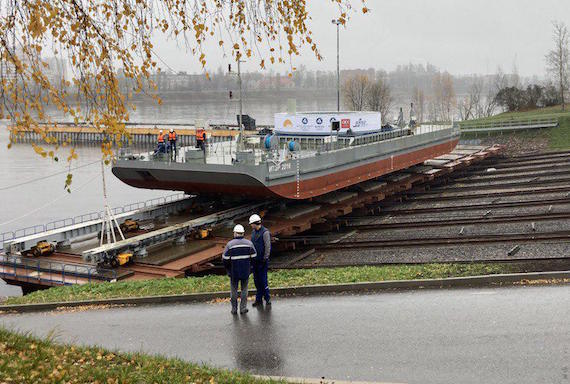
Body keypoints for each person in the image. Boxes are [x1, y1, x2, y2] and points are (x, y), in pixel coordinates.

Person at [222, 224, 257, 315]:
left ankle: (234, 309)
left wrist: (228, 269)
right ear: (243, 233)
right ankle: (243, 308)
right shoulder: (249, 244)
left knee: (233, 290)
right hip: (245, 271)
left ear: (235, 233)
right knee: (244, 289)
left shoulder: (230, 245)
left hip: (234, 272)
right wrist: (251, 268)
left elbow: (225, 259)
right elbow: (254, 257)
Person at [249, 214, 271, 306]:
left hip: (262, 261)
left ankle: (267, 298)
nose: (250, 225)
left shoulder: (265, 232)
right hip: (255, 260)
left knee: (263, 280)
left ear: (255, 223)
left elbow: (267, 246)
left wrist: (265, 258)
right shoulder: (253, 232)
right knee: (257, 281)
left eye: (251, 224)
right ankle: (259, 299)